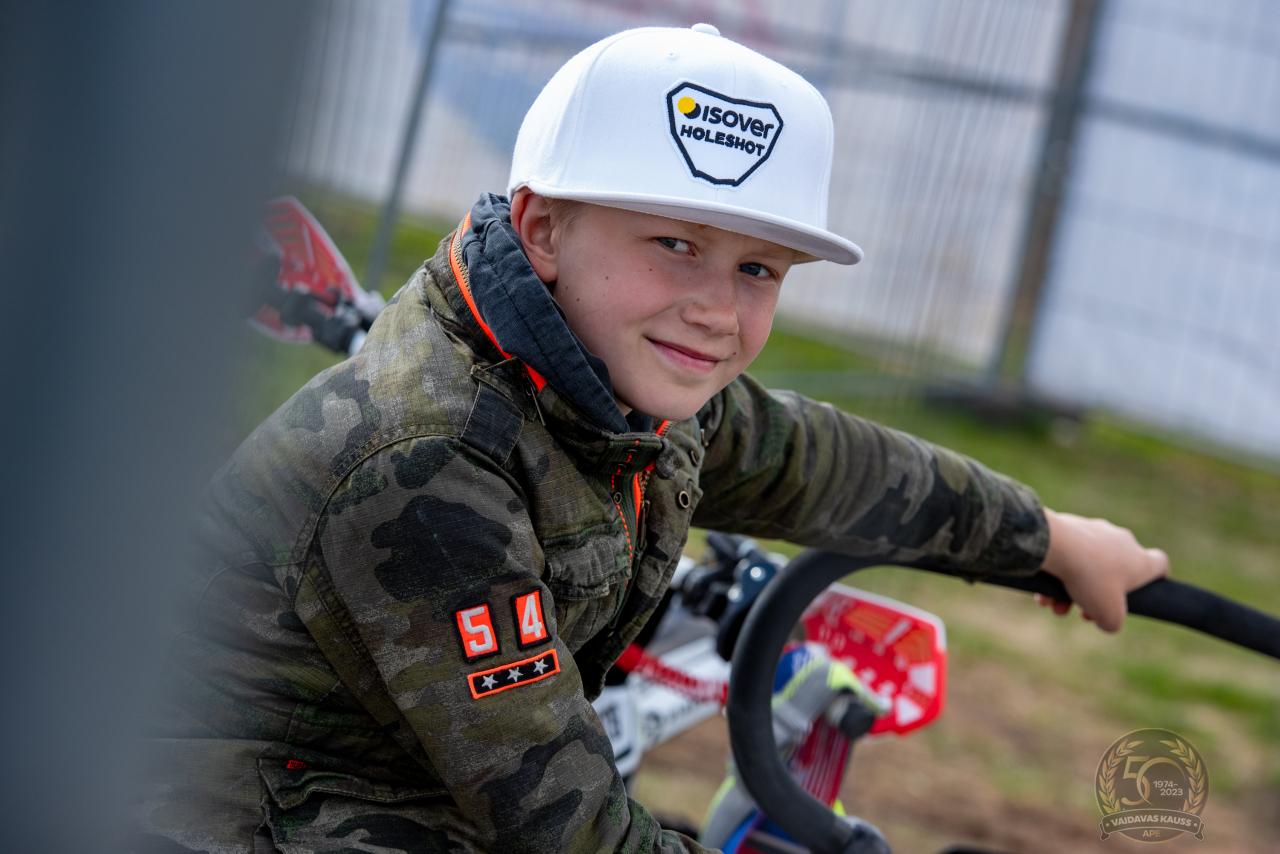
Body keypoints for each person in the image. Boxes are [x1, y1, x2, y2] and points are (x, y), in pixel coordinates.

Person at [135, 23, 1168, 853]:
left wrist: (1046, 536)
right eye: (675, 244)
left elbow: (830, 467)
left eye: (757, 269)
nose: (716, 309)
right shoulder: (429, 466)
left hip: (395, 793)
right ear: (543, 228)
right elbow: (561, 820)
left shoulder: (617, 387)